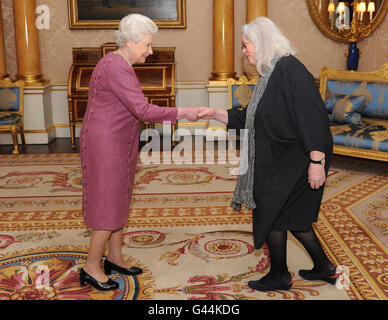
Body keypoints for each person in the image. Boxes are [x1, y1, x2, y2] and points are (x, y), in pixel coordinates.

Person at [198, 17, 337, 292]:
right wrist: (216, 113)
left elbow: (313, 118)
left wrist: (316, 162)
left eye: (246, 44)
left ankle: (279, 275)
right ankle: (324, 268)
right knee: (292, 217)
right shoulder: (271, 73)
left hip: (299, 159)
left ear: (260, 42)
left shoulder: (289, 69)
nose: (244, 51)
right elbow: (253, 116)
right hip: (285, 157)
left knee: (273, 211)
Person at [79, 13, 199, 291]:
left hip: (119, 140)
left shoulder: (119, 63)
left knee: (120, 196)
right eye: (146, 45)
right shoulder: (116, 67)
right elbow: (143, 110)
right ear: (131, 42)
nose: (150, 51)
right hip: (105, 144)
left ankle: (115, 257)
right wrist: (186, 112)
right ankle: (91, 265)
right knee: (107, 204)